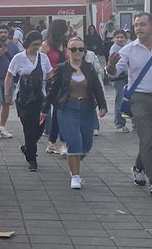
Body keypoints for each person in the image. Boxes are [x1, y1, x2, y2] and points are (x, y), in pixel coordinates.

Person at [43, 36, 107, 188]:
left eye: (80, 49)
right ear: (67, 51)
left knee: (87, 143)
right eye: (73, 49)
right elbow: (53, 90)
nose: (77, 52)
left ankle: (74, 162)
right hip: (67, 108)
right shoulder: (62, 68)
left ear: (84, 51)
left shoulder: (89, 68)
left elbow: (97, 88)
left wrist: (102, 105)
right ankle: (75, 176)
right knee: (74, 141)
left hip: (87, 108)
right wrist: (45, 109)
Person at [114, 12, 152, 191]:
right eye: (136, 25)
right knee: (147, 137)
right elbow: (114, 72)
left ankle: (139, 167)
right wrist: (110, 67)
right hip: (139, 97)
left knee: (149, 141)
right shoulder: (128, 49)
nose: (138, 28)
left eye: (143, 24)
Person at [4, 30, 52, 171]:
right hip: (24, 100)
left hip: (40, 98)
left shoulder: (43, 58)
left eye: (39, 44)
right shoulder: (18, 58)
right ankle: (32, 159)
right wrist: (7, 94)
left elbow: (50, 74)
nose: (37, 47)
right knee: (29, 129)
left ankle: (27, 147)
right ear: (27, 44)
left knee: (40, 128)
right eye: (34, 44)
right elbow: (9, 76)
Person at [41, 19, 69, 154]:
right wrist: (48, 75)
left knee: (59, 112)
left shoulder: (64, 44)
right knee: (59, 111)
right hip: (52, 82)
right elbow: (40, 64)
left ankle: (52, 142)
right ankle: (62, 142)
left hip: (65, 81)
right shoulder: (46, 45)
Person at [107, 30, 130, 133]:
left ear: (126, 38)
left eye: (122, 37)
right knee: (120, 99)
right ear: (113, 39)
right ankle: (119, 123)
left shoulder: (125, 47)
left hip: (125, 77)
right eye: (117, 37)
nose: (120, 39)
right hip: (119, 78)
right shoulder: (115, 49)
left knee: (128, 99)